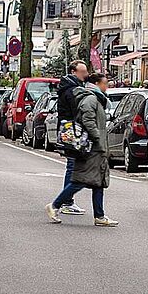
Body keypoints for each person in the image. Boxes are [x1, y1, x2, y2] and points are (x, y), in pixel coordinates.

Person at [47, 72, 118, 226]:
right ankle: (55, 205)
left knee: (98, 182)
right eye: (105, 83)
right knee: (81, 180)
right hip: (92, 148)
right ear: (97, 84)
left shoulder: (96, 99)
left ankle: (99, 216)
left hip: (97, 147)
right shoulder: (91, 99)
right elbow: (87, 119)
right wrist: (97, 137)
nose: (107, 86)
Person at [51, 61, 90, 215]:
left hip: (69, 129)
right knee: (73, 166)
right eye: (82, 71)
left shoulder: (68, 88)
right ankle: (66, 201)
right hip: (72, 131)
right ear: (74, 72)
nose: (85, 75)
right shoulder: (72, 90)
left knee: (72, 165)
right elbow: (77, 110)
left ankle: (67, 200)